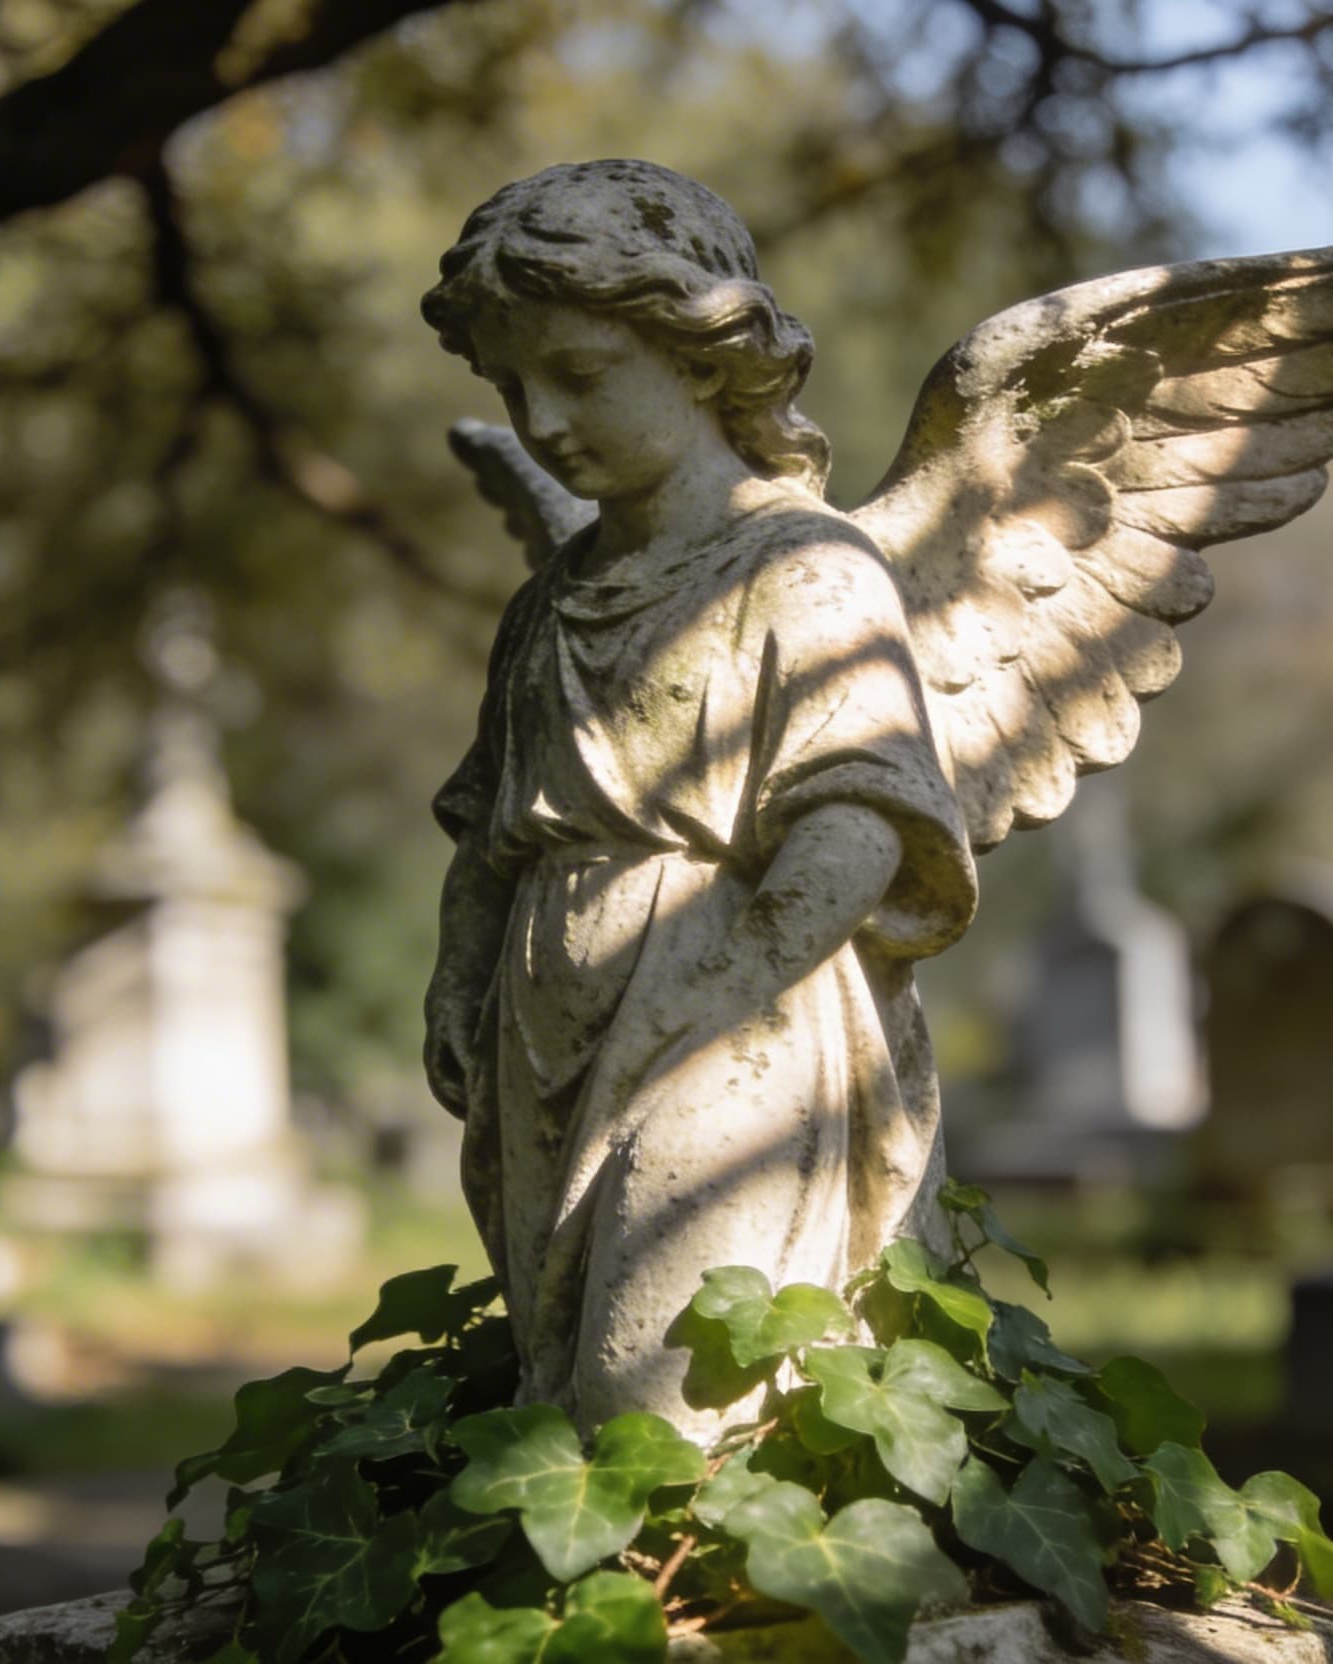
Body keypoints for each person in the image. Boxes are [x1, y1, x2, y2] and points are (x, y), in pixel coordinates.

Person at [418, 160, 977, 1433]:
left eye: (579, 373)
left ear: (702, 352)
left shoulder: (806, 569)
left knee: (662, 1384)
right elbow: (492, 837)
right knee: (558, 1389)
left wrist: (723, 982)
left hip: (742, 1015)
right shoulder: (548, 602)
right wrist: (458, 976)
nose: (543, 421)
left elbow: (858, 819)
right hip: (545, 1018)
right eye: (514, 387)